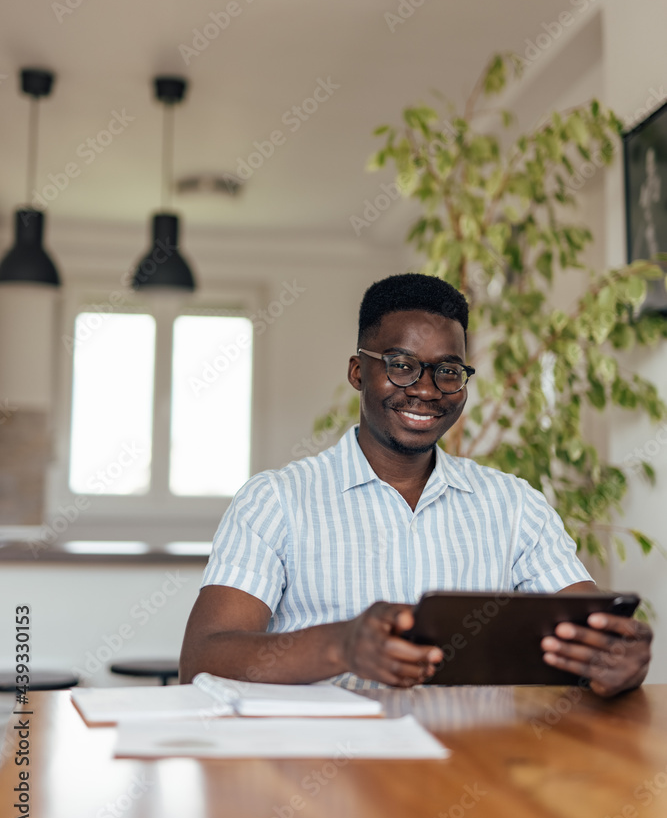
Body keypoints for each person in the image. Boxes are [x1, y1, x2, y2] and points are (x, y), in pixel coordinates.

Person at [180, 273, 652, 696]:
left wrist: (617, 659)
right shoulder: (276, 501)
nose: (426, 390)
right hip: (324, 778)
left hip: (473, 769)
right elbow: (203, 661)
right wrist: (340, 646)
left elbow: (591, 634)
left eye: (448, 371)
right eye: (402, 364)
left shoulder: (514, 506)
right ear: (358, 371)